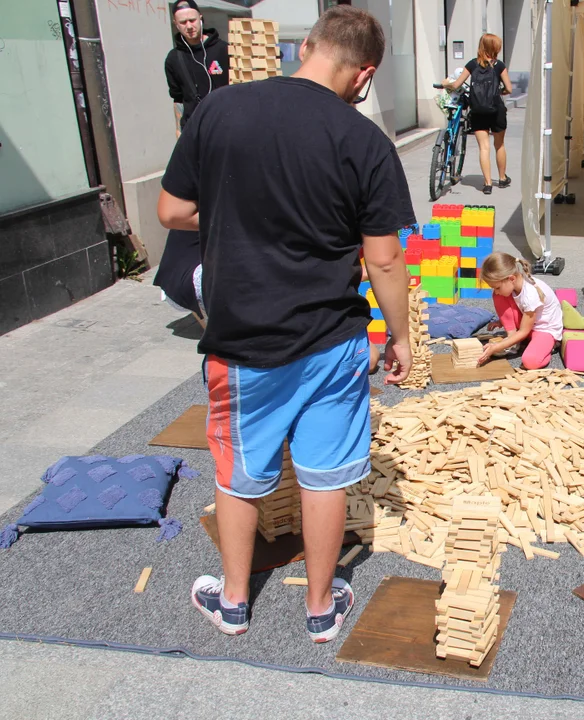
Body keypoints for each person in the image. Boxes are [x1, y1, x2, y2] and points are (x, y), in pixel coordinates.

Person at [157, 6, 415, 643]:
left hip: (243, 339)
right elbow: (383, 257)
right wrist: (401, 336)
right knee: (324, 473)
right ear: (366, 74)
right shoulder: (366, 143)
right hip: (332, 340)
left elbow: (171, 210)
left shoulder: (218, 110)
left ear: (307, 48)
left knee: (240, 472)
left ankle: (236, 602)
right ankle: (322, 609)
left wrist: (237, 215)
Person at [442, 34, 512, 195]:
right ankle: (501, 178)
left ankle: (487, 184)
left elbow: (457, 84)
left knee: (484, 147)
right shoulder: (499, 65)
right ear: (495, 48)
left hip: (478, 110)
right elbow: (509, 89)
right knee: (499, 145)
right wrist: (498, 91)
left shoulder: (472, 65)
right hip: (496, 110)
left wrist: (446, 83)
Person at [477, 253, 564, 370]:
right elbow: (518, 307)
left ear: (511, 278)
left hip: (544, 330)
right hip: (529, 323)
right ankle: (513, 337)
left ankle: (550, 346)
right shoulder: (515, 285)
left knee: (530, 362)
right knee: (499, 296)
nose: (496, 291)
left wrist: (496, 347)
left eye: (497, 287)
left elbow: (524, 331)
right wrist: (503, 321)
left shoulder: (530, 294)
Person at [165, 0, 228, 135]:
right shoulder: (174, 58)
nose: (189, 26)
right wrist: (178, 131)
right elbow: (178, 99)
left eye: (192, 20)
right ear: (176, 24)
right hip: (194, 130)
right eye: (183, 22)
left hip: (224, 125)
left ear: (200, 18)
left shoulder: (223, 49)